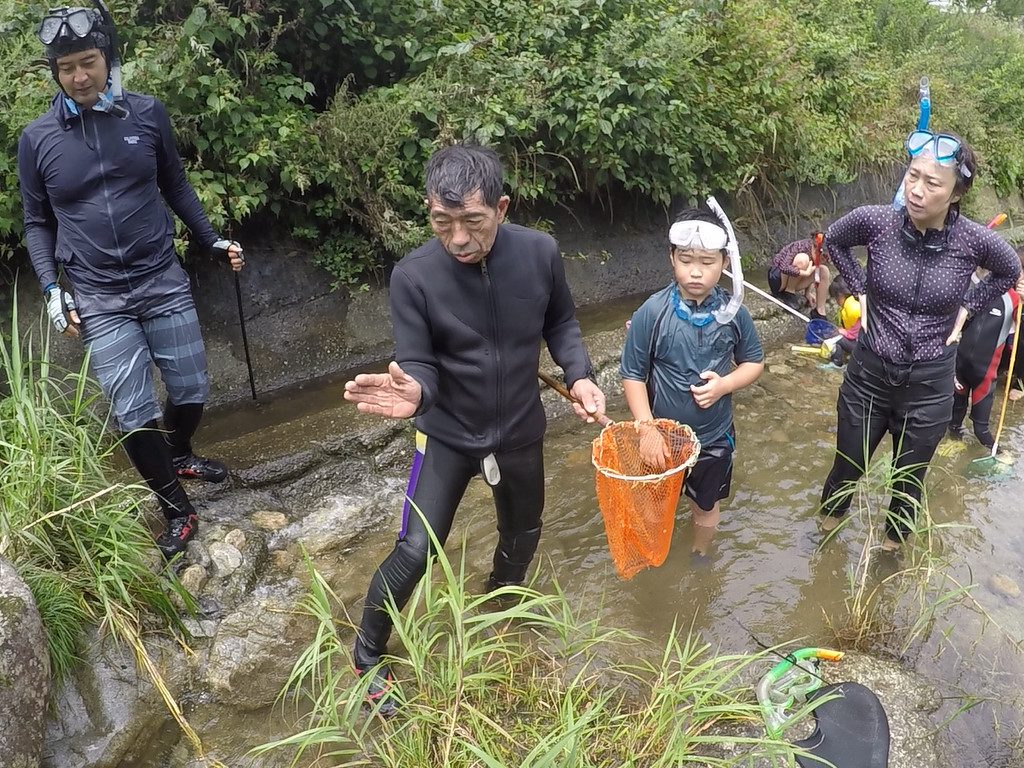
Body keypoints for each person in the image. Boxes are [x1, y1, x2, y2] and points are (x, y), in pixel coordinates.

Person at [342, 144, 605, 715]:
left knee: (524, 533)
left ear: (502, 208)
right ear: (430, 213)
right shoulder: (413, 276)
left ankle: (498, 612)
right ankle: (367, 658)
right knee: (415, 550)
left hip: (519, 430)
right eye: (442, 223)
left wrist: (579, 375)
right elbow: (420, 364)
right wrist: (415, 393)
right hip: (446, 434)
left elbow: (559, 320)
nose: (458, 239)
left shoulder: (540, 253)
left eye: (472, 223)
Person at [17, 4, 244, 559]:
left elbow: (177, 184)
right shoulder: (37, 139)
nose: (79, 76)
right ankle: (178, 511)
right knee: (132, 411)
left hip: (161, 277)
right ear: (55, 72)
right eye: (66, 67)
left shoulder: (146, 114)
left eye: (88, 62)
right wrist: (51, 288)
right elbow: (37, 221)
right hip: (96, 293)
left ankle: (182, 451)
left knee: (191, 389)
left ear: (107, 58)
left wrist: (210, 239)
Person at [818, 130, 1020, 550]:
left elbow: (1008, 271)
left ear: (956, 193)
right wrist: (859, 288)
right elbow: (832, 239)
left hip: (929, 386)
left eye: (933, 183)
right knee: (846, 469)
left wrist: (969, 305)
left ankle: (888, 567)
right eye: (913, 175)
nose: (917, 190)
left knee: (908, 485)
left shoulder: (973, 241)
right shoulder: (877, 222)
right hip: (869, 375)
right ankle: (822, 551)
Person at [620, 207, 765, 557]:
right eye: (686, 260)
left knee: (706, 505)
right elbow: (632, 374)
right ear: (672, 258)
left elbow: (754, 362)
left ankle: (700, 555)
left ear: (725, 262)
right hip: (662, 441)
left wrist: (724, 385)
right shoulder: (652, 313)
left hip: (714, 437)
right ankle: (657, 555)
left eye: (707, 261)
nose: (696, 271)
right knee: (655, 504)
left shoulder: (734, 313)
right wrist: (646, 428)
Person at [949, 265, 1022, 448]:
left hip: (985, 373)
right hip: (960, 365)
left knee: (981, 429)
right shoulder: (975, 290)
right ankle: (954, 442)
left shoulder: (1013, 299)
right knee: (954, 418)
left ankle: (997, 452)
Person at [768, 232, 832, 321]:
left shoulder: (815, 254)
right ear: (817, 247)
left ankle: (820, 311)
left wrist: (807, 293)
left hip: (793, 279)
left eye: (828, 258)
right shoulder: (800, 246)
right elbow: (784, 267)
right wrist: (804, 273)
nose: (825, 259)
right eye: (824, 256)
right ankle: (789, 292)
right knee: (803, 259)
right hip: (778, 279)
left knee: (823, 270)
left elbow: (811, 268)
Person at [826, 276, 861, 367]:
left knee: (835, 338)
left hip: (862, 348)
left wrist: (840, 331)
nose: (837, 302)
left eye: (836, 299)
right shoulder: (857, 300)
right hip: (867, 345)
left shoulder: (851, 307)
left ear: (840, 295)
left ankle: (836, 364)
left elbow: (853, 335)